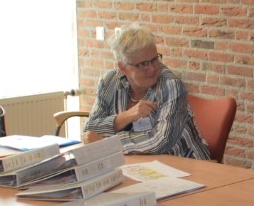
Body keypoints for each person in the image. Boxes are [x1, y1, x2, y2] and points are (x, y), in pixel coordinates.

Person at [82, 25, 211, 160]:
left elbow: (160, 141)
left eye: (154, 60)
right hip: (138, 163)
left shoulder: (171, 85)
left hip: (185, 162)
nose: (152, 69)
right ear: (123, 68)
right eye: (142, 64)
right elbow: (90, 131)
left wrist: (107, 144)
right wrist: (126, 116)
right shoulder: (109, 82)